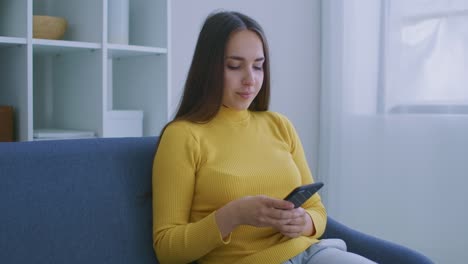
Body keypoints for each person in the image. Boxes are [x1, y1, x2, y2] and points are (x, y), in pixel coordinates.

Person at [152, 10, 375, 264]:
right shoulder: (182, 136)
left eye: (258, 66)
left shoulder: (279, 125)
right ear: (208, 68)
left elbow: (317, 210)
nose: (250, 79)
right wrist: (233, 215)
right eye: (234, 66)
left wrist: (305, 222)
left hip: (312, 254)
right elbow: (167, 249)